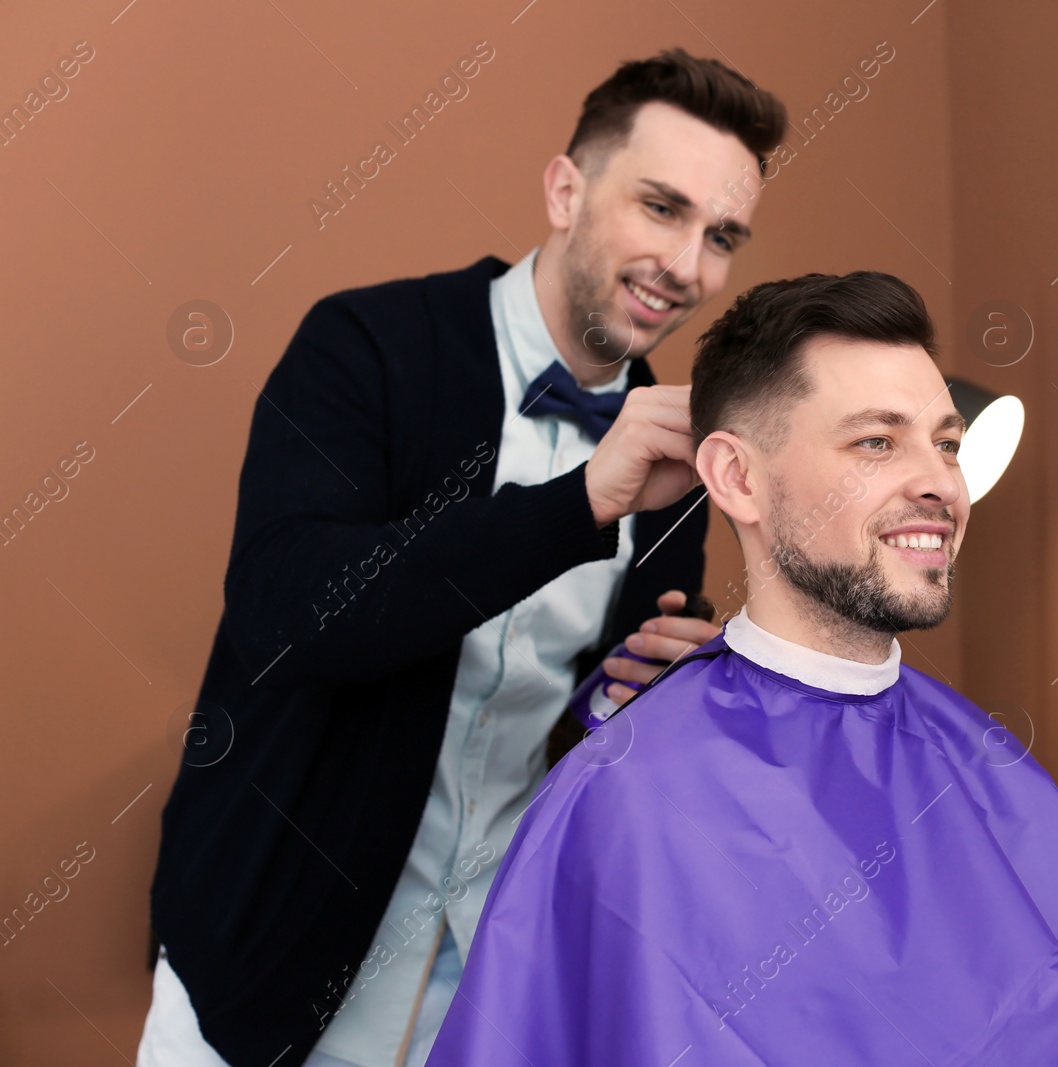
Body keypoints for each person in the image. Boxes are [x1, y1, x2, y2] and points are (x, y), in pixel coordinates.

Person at [424, 272, 1058, 1065]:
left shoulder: (988, 766)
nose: (940, 483)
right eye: (876, 441)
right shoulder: (622, 798)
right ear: (737, 477)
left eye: (946, 445)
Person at [138, 50, 787, 1067]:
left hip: (492, 985)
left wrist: (645, 698)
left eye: (721, 237)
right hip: (255, 968)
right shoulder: (365, 344)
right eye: (660, 207)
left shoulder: (681, 442)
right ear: (565, 190)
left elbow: (587, 751)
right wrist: (579, 502)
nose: (687, 265)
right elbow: (291, 610)